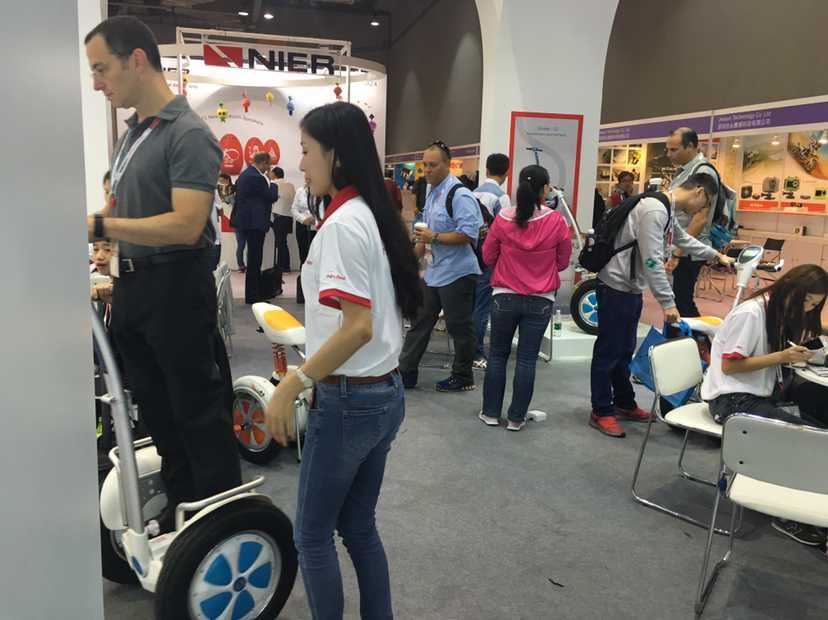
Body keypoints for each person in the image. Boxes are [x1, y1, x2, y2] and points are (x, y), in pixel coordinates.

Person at [263, 101, 421, 620]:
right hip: (381, 394)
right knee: (357, 526)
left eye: (307, 151)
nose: (301, 163)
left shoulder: (343, 225)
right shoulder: (368, 217)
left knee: (312, 535)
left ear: (336, 154)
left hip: (350, 399)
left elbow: (357, 327)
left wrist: (294, 383)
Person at [84, 16, 241, 523]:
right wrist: (99, 236)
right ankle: (184, 513)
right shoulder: (132, 135)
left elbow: (187, 224)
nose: (96, 83)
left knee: (196, 412)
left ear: (136, 60)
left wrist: (100, 224)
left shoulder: (188, 134)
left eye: (101, 68)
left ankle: (220, 523)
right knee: (158, 414)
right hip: (132, 288)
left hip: (174, 286)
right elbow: (122, 213)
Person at [589, 173, 735, 438]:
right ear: (699, 191)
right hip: (615, 288)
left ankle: (623, 401)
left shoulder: (665, 210)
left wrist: (716, 255)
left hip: (630, 288)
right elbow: (653, 261)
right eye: (704, 204)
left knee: (624, 350)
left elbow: (683, 240)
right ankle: (601, 410)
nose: (701, 211)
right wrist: (668, 303)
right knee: (608, 352)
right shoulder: (654, 210)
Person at [701, 264, 828, 547]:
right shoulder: (752, 313)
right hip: (731, 400)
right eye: (807, 301)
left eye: (814, 305)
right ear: (792, 289)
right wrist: (782, 357)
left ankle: (810, 497)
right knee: (808, 437)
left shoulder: (778, 309)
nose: (808, 308)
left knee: (819, 413)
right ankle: (789, 512)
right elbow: (731, 366)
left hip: (761, 392)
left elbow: (812, 326)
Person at [478, 165, 572, 431]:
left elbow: (488, 256)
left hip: (504, 296)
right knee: (527, 359)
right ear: (544, 189)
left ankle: (491, 413)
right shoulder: (556, 221)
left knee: (497, 355)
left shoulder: (503, 218)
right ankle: (516, 418)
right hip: (541, 298)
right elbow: (563, 261)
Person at [399, 141, 484, 392]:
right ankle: (406, 372)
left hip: (458, 272)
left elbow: (468, 234)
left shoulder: (460, 195)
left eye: (433, 165)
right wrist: (409, 263)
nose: (427, 170)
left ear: (447, 164)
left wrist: (433, 237)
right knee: (420, 320)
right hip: (434, 270)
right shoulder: (431, 191)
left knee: (459, 326)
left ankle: (463, 376)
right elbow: (424, 234)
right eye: (425, 165)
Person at [666, 127, 720, 317]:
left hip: (688, 251)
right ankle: (679, 334)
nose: (669, 154)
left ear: (690, 146)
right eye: (668, 149)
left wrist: (678, 254)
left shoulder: (703, 172)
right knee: (678, 300)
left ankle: (697, 335)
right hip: (680, 246)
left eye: (674, 150)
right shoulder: (683, 171)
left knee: (682, 302)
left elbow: (700, 218)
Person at [471, 153, 511, 369]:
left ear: (486, 170)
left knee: (471, 304)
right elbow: (505, 231)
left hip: (469, 254)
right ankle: (476, 353)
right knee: (482, 306)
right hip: (489, 258)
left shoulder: (471, 193)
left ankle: (467, 351)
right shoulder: (502, 198)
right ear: (506, 174)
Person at [234, 152, 278, 304]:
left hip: (248, 222)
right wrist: (272, 182)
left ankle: (253, 293)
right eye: (268, 164)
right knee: (254, 260)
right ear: (263, 162)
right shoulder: (256, 177)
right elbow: (271, 196)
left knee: (253, 259)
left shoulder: (245, 174)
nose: (269, 168)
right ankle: (253, 295)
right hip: (255, 223)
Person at [270, 165, 296, 271]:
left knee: (279, 243)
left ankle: (283, 267)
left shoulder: (273, 184)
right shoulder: (290, 185)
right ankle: (284, 265)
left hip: (279, 216)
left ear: (274, 174)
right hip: (289, 217)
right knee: (283, 242)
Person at [218, 172, 243, 271]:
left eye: (222, 180)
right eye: (219, 180)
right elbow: (225, 201)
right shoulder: (218, 189)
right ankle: (241, 265)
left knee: (242, 244)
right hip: (236, 220)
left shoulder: (234, 189)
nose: (220, 182)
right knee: (240, 244)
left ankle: (242, 265)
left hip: (239, 219)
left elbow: (229, 201)